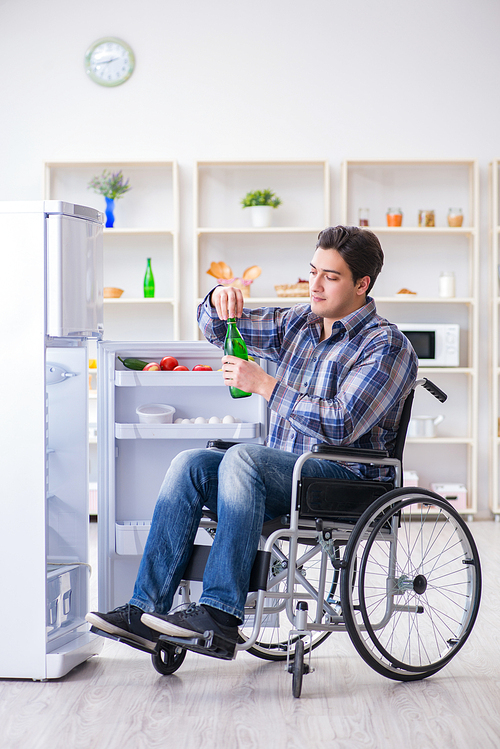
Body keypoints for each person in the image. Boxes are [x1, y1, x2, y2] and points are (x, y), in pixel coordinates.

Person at [86, 225, 418, 655]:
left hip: (345, 482)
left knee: (244, 458)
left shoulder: (387, 345)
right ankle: (143, 609)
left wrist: (266, 385)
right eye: (313, 271)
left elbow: (342, 424)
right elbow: (213, 327)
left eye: (330, 277)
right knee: (190, 462)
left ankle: (221, 615)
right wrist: (217, 299)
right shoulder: (299, 322)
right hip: (284, 474)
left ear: (362, 284)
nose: (314, 285)